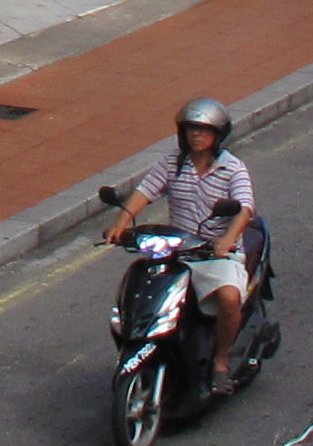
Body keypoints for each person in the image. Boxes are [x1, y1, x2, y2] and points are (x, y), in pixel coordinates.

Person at [101, 98, 258, 396]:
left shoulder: (232, 168)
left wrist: (225, 240)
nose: (196, 135)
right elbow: (145, 191)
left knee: (228, 297)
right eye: (191, 129)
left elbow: (245, 209)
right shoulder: (173, 162)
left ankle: (221, 361)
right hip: (178, 250)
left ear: (218, 135)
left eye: (203, 130)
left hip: (215, 254)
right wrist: (121, 222)